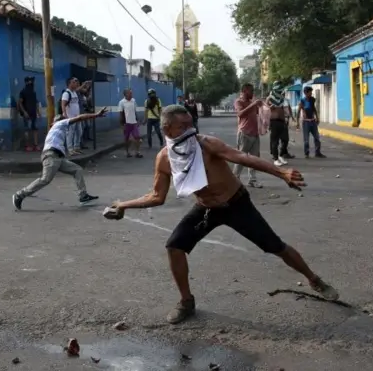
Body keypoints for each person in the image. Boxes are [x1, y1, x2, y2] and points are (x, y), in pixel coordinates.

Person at [107, 104, 339, 324]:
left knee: (275, 246)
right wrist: (123, 205)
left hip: (236, 204)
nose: (191, 130)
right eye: (183, 126)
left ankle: (314, 279)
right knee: (175, 246)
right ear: (167, 129)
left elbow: (243, 157)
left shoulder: (206, 144)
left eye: (191, 124)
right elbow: (157, 196)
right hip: (206, 209)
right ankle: (186, 302)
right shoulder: (165, 159)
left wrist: (282, 173)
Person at [12, 107, 108, 210]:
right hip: (51, 155)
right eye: (63, 119)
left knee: (77, 170)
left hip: (58, 158)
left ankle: (83, 195)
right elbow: (79, 118)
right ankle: (19, 195)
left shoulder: (58, 130)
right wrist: (96, 115)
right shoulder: (59, 124)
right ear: (55, 122)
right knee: (45, 179)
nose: (66, 120)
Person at [232, 83, 263, 188]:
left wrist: (264, 107)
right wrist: (253, 105)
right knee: (241, 158)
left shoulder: (251, 102)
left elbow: (258, 113)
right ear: (245, 91)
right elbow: (240, 114)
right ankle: (235, 179)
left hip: (254, 133)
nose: (253, 93)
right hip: (244, 133)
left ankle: (252, 180)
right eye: (251, 91)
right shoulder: (238, 102)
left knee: (254, 159)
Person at [60, 78, 91, 156]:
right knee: (70, 133)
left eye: (76, 82)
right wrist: (65, 115)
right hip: (70, 117)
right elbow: (63, 105)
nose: (76, 83)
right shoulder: (66, 93)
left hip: (77, 117)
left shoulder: (74, 92)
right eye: (74, 82)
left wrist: (84, 84)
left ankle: (76, 148)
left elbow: (79, 89)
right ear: (69, 83)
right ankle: (70, 150)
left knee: (79, 132)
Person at [297, 87, 326, 158]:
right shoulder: (302, 101)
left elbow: (314, 108)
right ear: (305, 93)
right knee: (306, 140)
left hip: (313, 121)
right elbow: (298, 111)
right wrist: (297, 122)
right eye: (309, 92)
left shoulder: (312, 99)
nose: (311, 93)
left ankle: (317, 152)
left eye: (311, 92)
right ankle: (306, 153)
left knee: (317, 138)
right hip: (306, 122)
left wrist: (317, 117)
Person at [266, 82, 289, 166]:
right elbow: (265, 110)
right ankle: (275, 159)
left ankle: (280, 156)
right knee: (275, 141)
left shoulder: (283, 99)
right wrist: (269, 107)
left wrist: (287, 117)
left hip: (282, 122)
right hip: (274, 122)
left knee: (285, 140)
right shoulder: (269, 98)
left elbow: (286, 109)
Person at [18, 76, 41, 151]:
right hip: (27, 113)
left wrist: (38, 112)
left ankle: (35, 145)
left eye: (32, 81)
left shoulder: (33, 92)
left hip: (33, 112)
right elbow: (20, 103)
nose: (32, 82)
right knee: (26, 129)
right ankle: (27, 146)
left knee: (35, 129)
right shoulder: (23, 92)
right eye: (30, 81)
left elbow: (36, 103)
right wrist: (24, 112)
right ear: (26, 82)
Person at [118, 89, 142, 158]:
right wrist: (122, 124)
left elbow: (135, 111)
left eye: (131, 93)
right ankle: (127, 152)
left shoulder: (133, 101)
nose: (131, 95)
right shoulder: (121, 102)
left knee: (137, 137)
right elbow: (121, 113)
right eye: (130, 93)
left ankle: (137, 152)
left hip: (134, 123)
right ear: (125, 94)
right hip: (127, 123)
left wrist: (137, 120)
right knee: (127, 139)